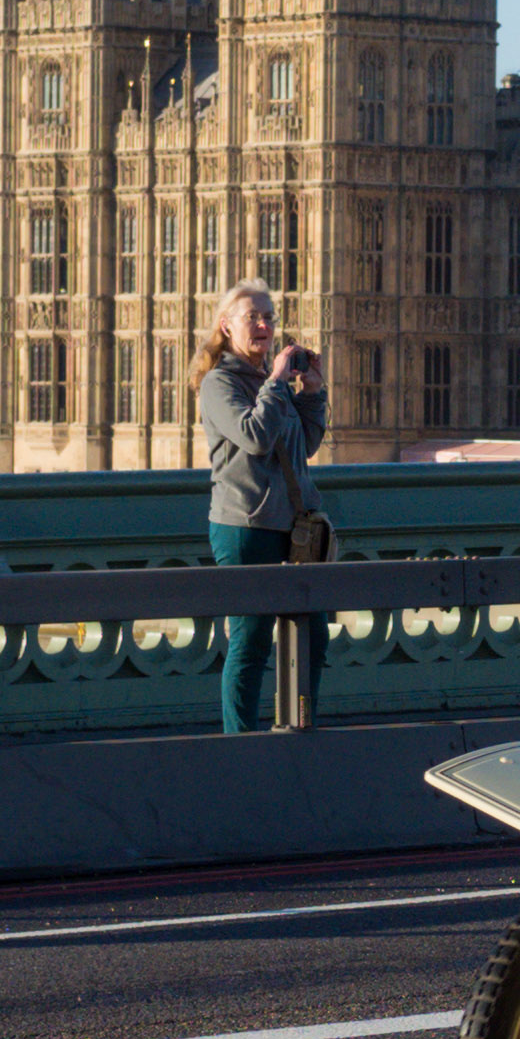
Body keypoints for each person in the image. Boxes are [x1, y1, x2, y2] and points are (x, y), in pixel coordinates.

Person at [194, 280, 330, 734]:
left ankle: (297, 729)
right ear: (226, 326)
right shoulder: (220, 383)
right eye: (252, 316)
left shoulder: (269, 384)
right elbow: (254, 436)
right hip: (244, 526)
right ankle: (242, 743)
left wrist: (311, 393)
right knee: (250, 641)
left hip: (294, 529)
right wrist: (275, 382)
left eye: (269, 316)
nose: (264, 324)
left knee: (313, 637)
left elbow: (301, 445)